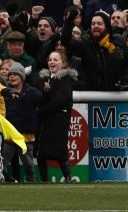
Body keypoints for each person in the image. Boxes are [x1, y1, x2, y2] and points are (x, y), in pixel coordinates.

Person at [36, 50, 78, 182]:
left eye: (55, 59)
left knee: (59, 152)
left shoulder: (66, 78)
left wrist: (41, 111)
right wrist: (46, 93)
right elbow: (41, 98)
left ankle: (68, 177)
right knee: (41, 153)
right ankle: (44, 181)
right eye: (50, 60)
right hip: (46, 121)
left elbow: (61, 100)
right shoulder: (45, 79)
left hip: (58, 121)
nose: (51, 62)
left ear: (63, 63)